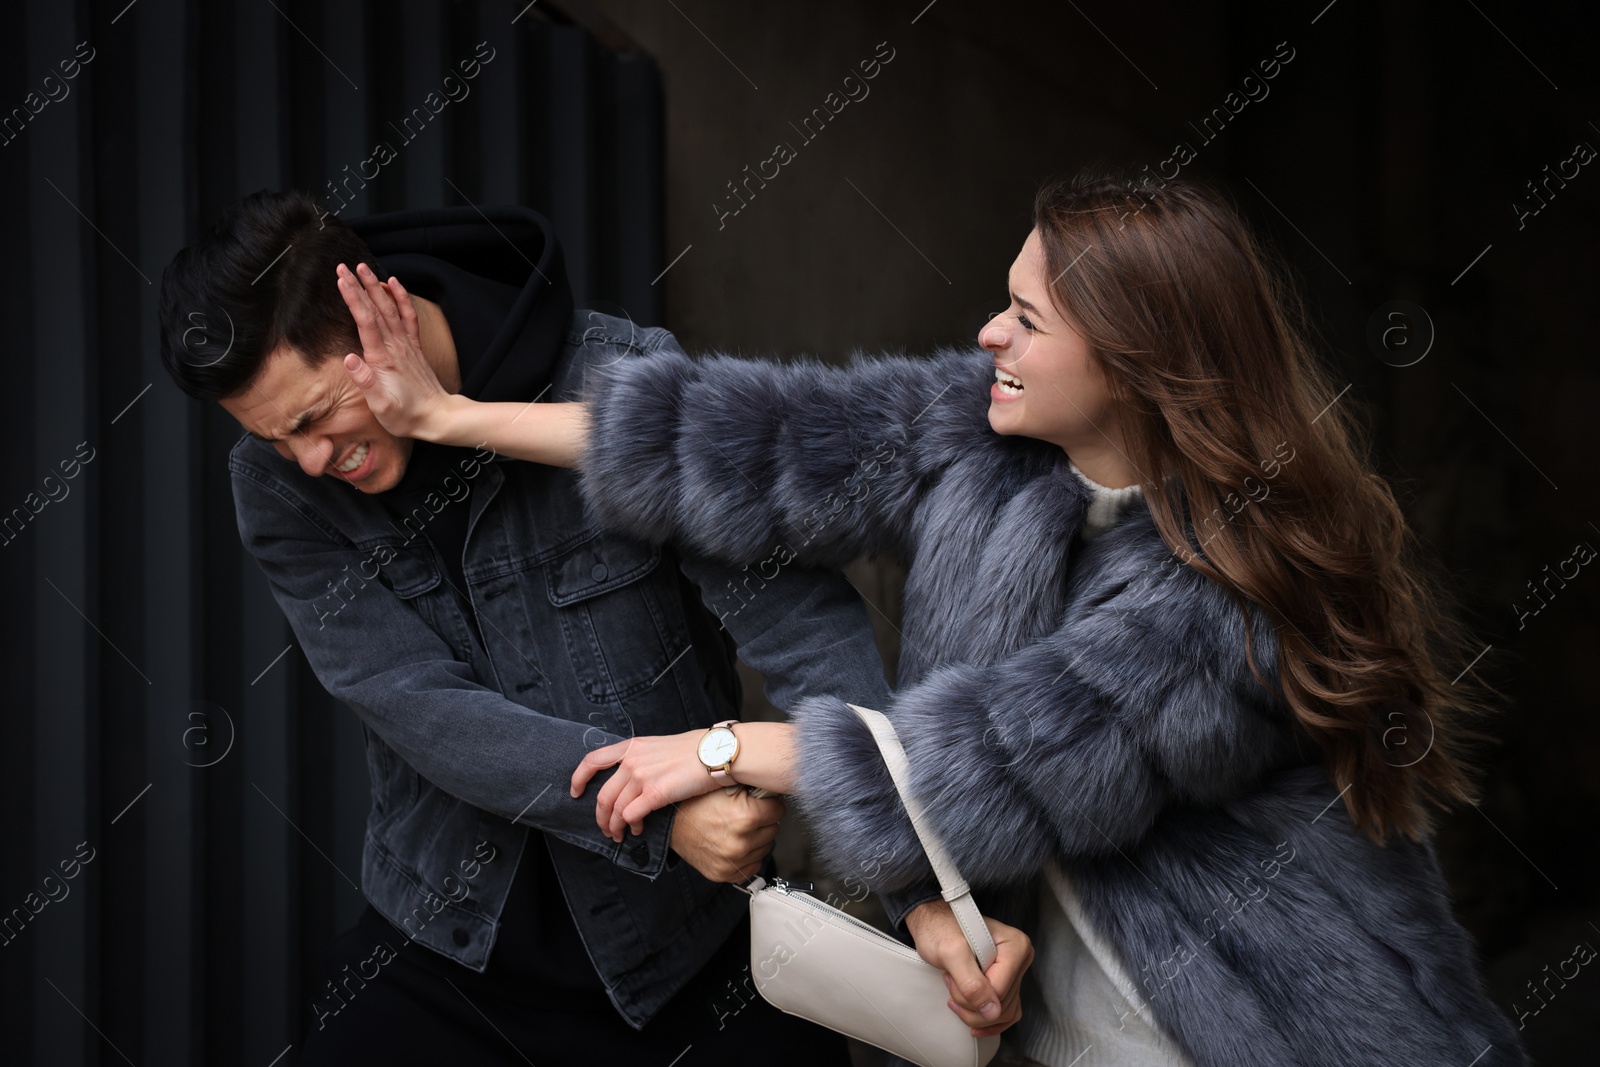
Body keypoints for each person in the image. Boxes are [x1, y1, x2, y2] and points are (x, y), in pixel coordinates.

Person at [335, 169, 1527, 1067]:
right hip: (1057, 1006)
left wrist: (713, 748)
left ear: (1135, 364)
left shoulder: (1229, 591)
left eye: (1025, 318)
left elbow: (993, 759)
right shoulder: (983, 436)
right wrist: (449, 419)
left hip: (1263, 1021)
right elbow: (722, 442)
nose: (987, 335)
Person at [156, 191, 1021, 1064]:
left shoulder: (620, 383)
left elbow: (793, 615)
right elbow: (415, 701)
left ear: (376, 314)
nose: (309, 461)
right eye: (275, 438)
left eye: (312, 417)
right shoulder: (276, 487)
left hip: (688, 949)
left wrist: (916, 890)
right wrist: (655, 812)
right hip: (448, 945)